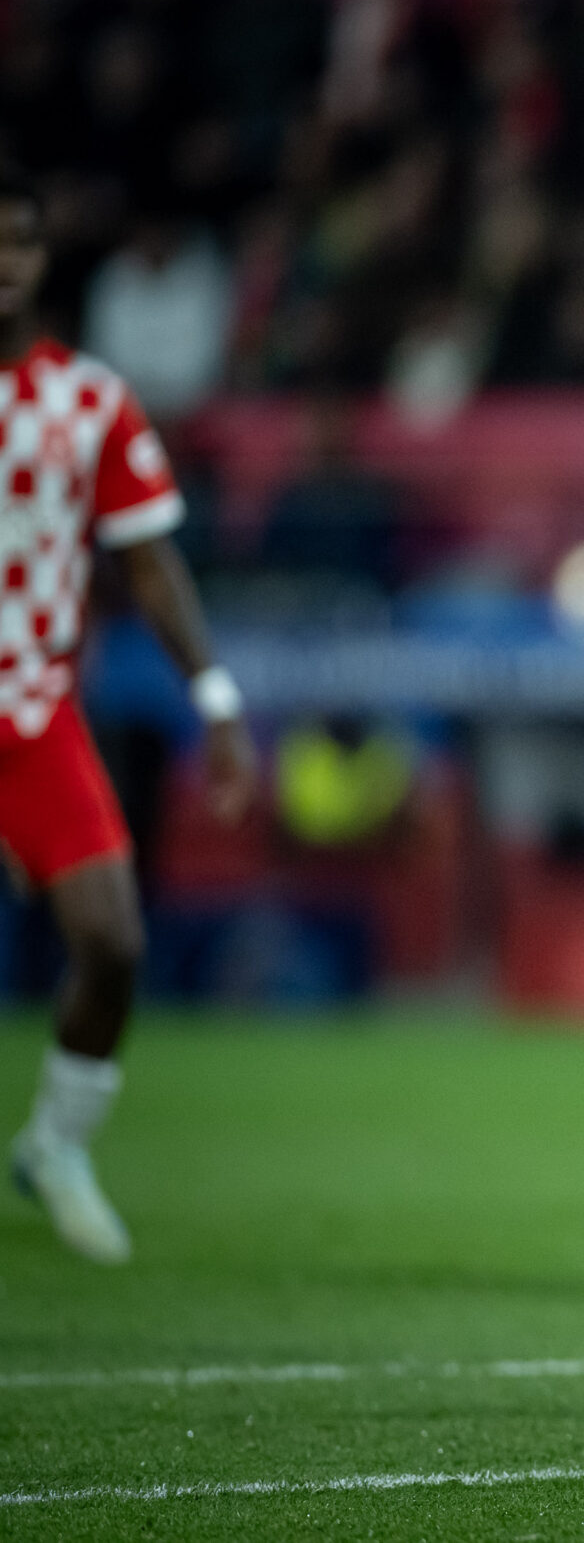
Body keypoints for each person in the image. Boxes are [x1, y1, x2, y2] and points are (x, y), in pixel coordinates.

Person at [0, 176, 256, 1263]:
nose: (5, 259)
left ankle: (57, 1144)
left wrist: (217, 700)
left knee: (112, 942)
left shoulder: (89, 401)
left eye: (17, 239)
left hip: (31, 712)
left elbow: (149, 566)